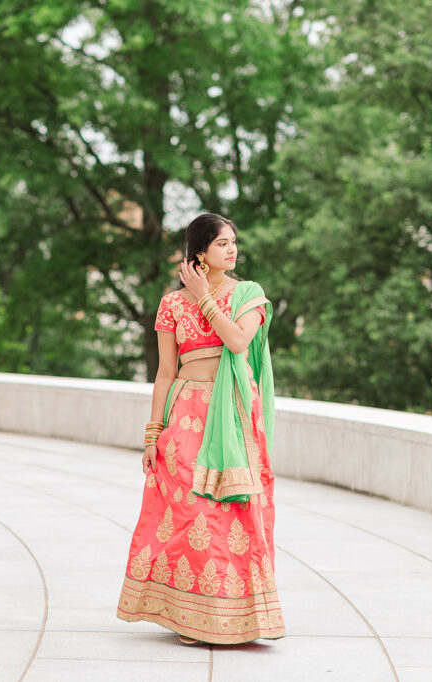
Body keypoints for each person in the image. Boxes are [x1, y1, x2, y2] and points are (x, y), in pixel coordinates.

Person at [115, 213, 286, 645]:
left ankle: (234, 618)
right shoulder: (171, 304)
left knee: (231, 512)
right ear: (200, 253)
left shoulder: (248, 294)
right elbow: (165, 372)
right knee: (191, 511)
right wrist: (153, 434)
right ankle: (190, 616)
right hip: (185, 412)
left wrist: (205, 298)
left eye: (234, 241)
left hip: (230, 413)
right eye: (222, 243)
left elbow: (238, 342)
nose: (232, 249)